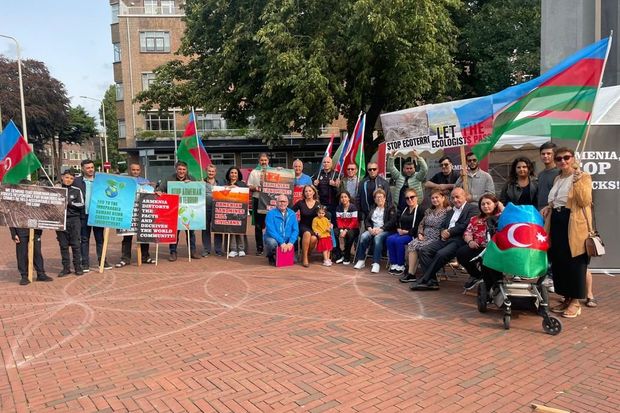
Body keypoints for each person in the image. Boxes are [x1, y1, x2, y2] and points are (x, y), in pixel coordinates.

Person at [541, 147, 592, 318]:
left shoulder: (582, 176)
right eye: (559, 158)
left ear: (573, 158)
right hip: (557, 221)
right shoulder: (558, 178)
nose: (563, 161)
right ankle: (566, 297)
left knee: (575, 262)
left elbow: (584, 200)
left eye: (566, 157)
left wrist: (577, 181)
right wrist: (548, 207)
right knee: (560, 261)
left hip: (573, 222)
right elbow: (556, 200)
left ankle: (576, 302)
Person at [411, 188, 477, 290]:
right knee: (424, 250)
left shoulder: (472, 209)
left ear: (465, 196)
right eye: (453, 198)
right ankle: (432, 281)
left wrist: (450, 232)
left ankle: (425, 279)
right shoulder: (451, 211)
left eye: (457, 197)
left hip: (459, 240)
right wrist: (442, 232)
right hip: (445, 239)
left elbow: (466, 225)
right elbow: (443, 225)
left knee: (441, 254)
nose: (455, 200)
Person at [401, 189, 450, 283]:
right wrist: (420, 233)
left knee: (420, 247)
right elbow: (421, 224)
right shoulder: (429, 211)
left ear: (443, 198)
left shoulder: (448, 210)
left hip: (437, 238)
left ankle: (427, 275)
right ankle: (411, 274)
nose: (434, 200)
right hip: (425, 236)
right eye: (432, 198)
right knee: (412, 244)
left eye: (437, 197)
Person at [456, 194, 502, 289]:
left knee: (486, 260)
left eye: (488, 203)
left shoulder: (502, 217)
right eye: (483, 204)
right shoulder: (475, 219)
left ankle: (495, 286)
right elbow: (467, 233)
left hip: (494, 248)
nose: (485, 206)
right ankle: (476, 275)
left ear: (495, 204)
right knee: (461, 253)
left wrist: (500, 206)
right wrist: (470, 241)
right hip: (478, 246)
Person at [159, 161, 201, 261]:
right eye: (179, 169)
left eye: (183, 169)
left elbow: (199, 191)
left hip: (189, 210)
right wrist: (159, 192)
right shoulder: (169, 179)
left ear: (186, 170)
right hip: (174, 210)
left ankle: (192, 251)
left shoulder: (192, 179)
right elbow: (159, 189)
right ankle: (173, 252)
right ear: (176, 169)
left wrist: (192, 185)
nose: (181, 171)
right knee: (174, 233)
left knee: (191, 233)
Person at [116, 162, 154, 267]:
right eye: (133, 170)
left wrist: (154, 190)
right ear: (130, 170)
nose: (135, 172)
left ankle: (145, 257)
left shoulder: (145, 182)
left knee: (144, 235)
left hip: (142, 212)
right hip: (128, 213)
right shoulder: (124, 181)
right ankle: (125, 259)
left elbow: (150, 195)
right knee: (127, 237)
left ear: (140, 170)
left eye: (137, 170)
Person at [74, 159, 109, 271]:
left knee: (100, 239)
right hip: (83, 214)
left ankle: (102, 261)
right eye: (88, 168)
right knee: (84, 239)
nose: (90, 170)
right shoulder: (76, 181)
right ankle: (85, 263)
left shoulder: (100, 181)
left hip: (97, 214)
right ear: (82, 169)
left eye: (92, 167)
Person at [353, 189, 397, 273]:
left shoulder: (390, 207)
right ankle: (361, 260)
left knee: (377, 238)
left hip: (386, 230)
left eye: (381, 197)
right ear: (374, 199)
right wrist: (369, 228)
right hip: (373, 229)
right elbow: (367, 220)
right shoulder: (372, 207)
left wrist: (381, 229)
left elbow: (392, 221)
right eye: (377, 197)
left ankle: (376, 263)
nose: (379, 199)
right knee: (363, 236)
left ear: (385, 198)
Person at [386, 188, 425, 276]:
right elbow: (397, 221)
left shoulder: (420, 210)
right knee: (390, 239)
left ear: (417, 197)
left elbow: (421, 225)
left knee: (398, 241)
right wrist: (398, 229)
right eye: (407, 198)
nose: (409, 200)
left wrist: (407, 232)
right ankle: (394, 263)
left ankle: (401, 264)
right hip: (401, 233)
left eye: (412, 197)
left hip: (412, 234)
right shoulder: (404, 209)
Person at [56, 170, 85, 277]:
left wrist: (70, 203)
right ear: (62, 177)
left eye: (71, 178)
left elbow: (82, 204)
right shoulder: (56, 190)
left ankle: (78, 267)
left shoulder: (77, 190)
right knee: (63, 245)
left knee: (76, 245)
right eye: (67, 177)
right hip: (60, 220)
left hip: (74, 220)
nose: (69, 180)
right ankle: (66, 268)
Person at [264, 194, 299, 266]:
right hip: (274, 238)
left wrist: (291, 242)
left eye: (284, 201)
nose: (282, 203)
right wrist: (282, 242)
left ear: (287, 203)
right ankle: (271, 256)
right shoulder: (270, 214)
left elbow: (295, 230)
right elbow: (271, 230)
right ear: (276, 203)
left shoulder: (292, 214)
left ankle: (281, 254)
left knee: (294, 261)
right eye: (280, 201)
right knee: (272, 243)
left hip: (287, 240)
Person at [247, 152, 270, 255]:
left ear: (268, 161)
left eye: (265, 160)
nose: (263, 162)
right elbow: (249, 186)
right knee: (258, 225)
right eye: (262, 160)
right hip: (258, 199)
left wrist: (281, 170)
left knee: (271, 224)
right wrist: (255, 188)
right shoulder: (254, 172)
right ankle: (259, 248)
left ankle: (271, 246)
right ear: (259, 161)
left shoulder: (274, 171)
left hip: (270, 201)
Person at [292, 185, 320, 267]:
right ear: (304, 193)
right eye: (306, 191)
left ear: (313, 192)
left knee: (314, 239)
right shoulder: (300, 203)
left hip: (313, 227)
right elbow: (291, 212)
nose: (308, 193)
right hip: (303, 226)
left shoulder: (318, 204)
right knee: (307, 233)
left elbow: (324, 214)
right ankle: (305, 258)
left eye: (310, 191)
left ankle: (307, 253)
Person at [224, 166, 248, 257]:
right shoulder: (224, 184)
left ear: (238, 175)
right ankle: (233, 249)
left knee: (240, 229)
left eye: (235, 173)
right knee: (231, 230)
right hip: (228, 210)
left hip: (240, 210)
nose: (233, 174)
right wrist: (227, 188)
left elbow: (246, 195)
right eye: (232, 173)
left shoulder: (243, 184)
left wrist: (237, 188)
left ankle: (241, 248)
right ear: (229, 174)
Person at [312, 156, 340, 225]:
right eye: (324, 162)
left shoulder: (336, 174)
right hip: (321, 204)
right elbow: (312, 188)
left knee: (333, 223)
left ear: (331, 164)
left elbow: (340, 191)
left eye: (328, 162)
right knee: (322, 223)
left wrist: (335, 185)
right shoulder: (318, 174)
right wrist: (314, 184)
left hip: (333, 204)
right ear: (322, 164)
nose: (326, 164)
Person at [334, 191, 359, 265]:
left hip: (353, 228)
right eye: (341, 197)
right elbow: (338, 220)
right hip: (342, 228)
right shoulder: (338, 208)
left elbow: (354, 221)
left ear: (349, 198)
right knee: (333, 233)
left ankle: (346, 255)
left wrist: (346, 230)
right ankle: (339, 254)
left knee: (350, 234)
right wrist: (341, 230)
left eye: (345, 197)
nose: (343, 199)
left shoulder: (353, 207)